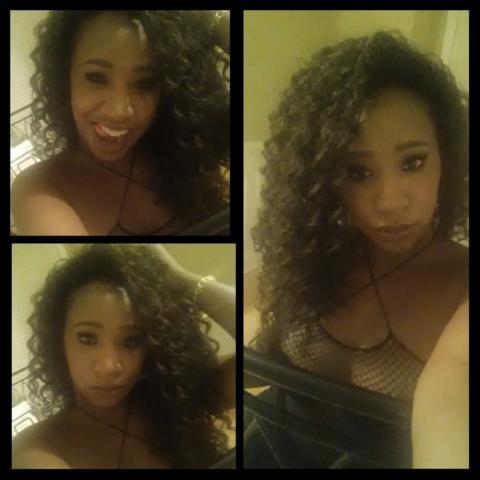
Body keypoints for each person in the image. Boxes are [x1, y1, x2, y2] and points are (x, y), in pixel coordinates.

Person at [247, 30, 468, 467]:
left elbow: (451, 391)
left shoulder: (463, 284)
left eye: (413, 162)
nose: (390, 202)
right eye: (357, 171)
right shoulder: (310, 255)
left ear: (447, 158)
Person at [12, 244, 235, 468]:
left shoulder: (178, 398)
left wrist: (180, 278)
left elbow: (257, 362)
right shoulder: (37, 448)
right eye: (87, 338)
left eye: (131, 341)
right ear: (59, 341)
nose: (109, 367)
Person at [11, 10, 230, 235]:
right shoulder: (40, 189)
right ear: (65, 78)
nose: (119, 112)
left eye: (144, 83)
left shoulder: (186, 145)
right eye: (96, 78)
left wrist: (213, 18)